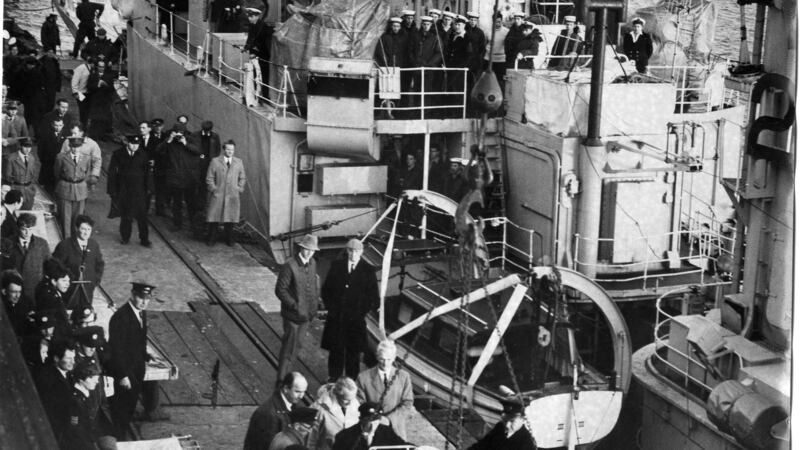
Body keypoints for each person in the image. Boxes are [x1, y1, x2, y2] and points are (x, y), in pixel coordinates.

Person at [321, 239, 378, 380]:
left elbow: (372, 296)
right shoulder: (337, 266)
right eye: (351, 251)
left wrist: (360, 313)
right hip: (337, 318)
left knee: (354, 353)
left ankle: (351, 381)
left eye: (356, 251)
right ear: (347, 251)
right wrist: (332, 309)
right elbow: (326, 290)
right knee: (336, 351)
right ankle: (333, 379)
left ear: (361, 252)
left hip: (355, 321)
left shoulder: (368, 270)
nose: (353, 254)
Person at [108, 280, 156, 439]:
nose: (144, 302)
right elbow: (116, 351)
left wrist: (147, 355)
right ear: (133, 295)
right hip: (126, 375)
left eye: (148, 299)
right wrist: (122, 375)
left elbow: (138, 342)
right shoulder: (120, 318)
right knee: (120, 411)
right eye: (141, 297)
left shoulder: (141, 313)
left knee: (128, 409)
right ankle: (118, 441)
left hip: (136, 372)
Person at [275, 234, 321, 381]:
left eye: (312, 250)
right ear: (301, 248)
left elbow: (313, 284)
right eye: (306, 249)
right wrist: (295, 306)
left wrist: (315, 304)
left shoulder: (312, 263)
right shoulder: (290, 265)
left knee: (296, 348)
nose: (309, 253)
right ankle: (281, 382)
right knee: (288, 350)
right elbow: (280, 290)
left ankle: (287, 379)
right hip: (293, 317)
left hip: (306, 316)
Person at [355, 339, 414, 440]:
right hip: (372, 429)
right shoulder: (363, 378)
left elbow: (407, 403)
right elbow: (360, 404)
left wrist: (389, 419)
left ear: (395, 358)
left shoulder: (404, 377)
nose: (385, 363)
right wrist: (375, 419)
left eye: (389, 359)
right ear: (377, 356)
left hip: (396, 429)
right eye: (382, 359)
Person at [243, 371, 308, 450]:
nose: (301, 396)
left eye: (304, 392)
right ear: (286, 389)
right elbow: (266, 446)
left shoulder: (292, 403)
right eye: (297, 391)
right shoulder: (268, 415)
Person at [107, 134, 153, 246]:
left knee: (142, 217)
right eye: (132, 144)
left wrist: (149, 188)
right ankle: (125, 237)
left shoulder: (143, 155)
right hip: (124, 190)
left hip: (139, 191)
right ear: (127, 143)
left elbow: (148, 173)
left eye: (137, 144)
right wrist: (112, 190)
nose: (135, 146)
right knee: (126, 216)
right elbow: (112, 173)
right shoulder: (118, 154)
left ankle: (144, 239)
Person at [156, 123, 203, 230]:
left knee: (191, 204)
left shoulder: (191, 140)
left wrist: (185, 143)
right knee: (176, 204)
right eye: (177, 133)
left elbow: (199, 151)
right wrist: (169, 140)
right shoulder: (170, 142)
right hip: (175, 179)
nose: (179, 136)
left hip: (189, 179)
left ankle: (193, 224)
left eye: (181, 133)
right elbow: (158, 151)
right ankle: (177, 224)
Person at [63, 361, 118, 450]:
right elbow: (76, 430)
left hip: (93, 434)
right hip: (83, 441)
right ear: (81, 380)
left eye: (96, 378)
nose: (96, 382)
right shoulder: (75, 400)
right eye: (92, 378)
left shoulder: (89, 391)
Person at [53, 214, 105, 308]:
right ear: (77, 228)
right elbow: (55, 266)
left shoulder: (94, 245)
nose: (86, 233)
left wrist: (94, 281)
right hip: (70, 290)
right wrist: (63, 283)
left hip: (88, 290)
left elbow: (100, 264)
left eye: (89, 229)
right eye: (83, 229)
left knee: (86, 314)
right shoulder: (65, 245)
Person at [35, 339, 76, 446]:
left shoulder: (68, 374)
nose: (73, 362)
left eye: (73, 358)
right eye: (68, 358)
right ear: (56, 358)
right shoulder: (47, 377)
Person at [205, 139, 246, 246]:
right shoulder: (215, 161)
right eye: (228, 149)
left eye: (232, 150)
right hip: (218, 194)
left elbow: (242, 177)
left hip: (232, 195)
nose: (230, 151)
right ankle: (211, 239)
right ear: (224, 149)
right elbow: (209, 177)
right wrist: (214, 189)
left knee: (230, 219)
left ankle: (230, 240)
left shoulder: (238, 162)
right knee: (214, 218)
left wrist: (239, 188)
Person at [3, 213, 51, 303]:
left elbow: (49, 266)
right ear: (18, 228)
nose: (27, 233)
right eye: (24, 229)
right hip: (14, 290)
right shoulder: (8, 243)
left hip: (36, 290)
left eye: (30, 229)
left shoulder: (42, 244)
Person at [54, 136, 93, 237]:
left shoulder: (86, 158)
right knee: (65, 219)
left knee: (78, 218)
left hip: (80, 191)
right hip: (65, 190)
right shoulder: (61, 157)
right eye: (73, 146)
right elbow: (57, 173)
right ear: (69, 146)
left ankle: (76, 240)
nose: (75, 149)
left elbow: (87, 174)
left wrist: (80, 184)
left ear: (81, 147)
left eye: (78, 146)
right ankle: (66, 242)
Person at [331, 402, 407, 450]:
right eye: (370, 420)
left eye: (377, 420)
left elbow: (403, 445)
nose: (374, 424)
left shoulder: (386, 431)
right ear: (361, 419)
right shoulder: (344, 436)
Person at [468, 397, 537, 450]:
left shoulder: (527, 443)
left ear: (523, 420)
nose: (507, 425)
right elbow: (481, 446)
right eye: (505, 421)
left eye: (512, 421)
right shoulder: (500, 427)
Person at [410, 15, 444, 118]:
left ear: (431, 25)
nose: (425, 26)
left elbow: (439, 53)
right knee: (417, 90)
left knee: (427, 90)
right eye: (424, 24)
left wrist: (429, 64)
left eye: (428, 24)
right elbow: (410, 51)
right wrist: (414, 62)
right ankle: (416, 111)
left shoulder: (435, 37)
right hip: (417, 68)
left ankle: (426, 112)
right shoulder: (415, 36)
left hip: (429, 69)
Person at [313, 377, 360, 450]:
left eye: (352, 399)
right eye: (346, 400)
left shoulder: (354, 402)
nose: (350, 403)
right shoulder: (319, 408)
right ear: (337, 393)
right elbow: (311, 438)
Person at [34, 258, 72, 338]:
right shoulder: (49, 295)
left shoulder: (48, 288)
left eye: (68, 281)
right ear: (53, 281)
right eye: (64, 281)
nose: (67, 284)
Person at [243, 7, 274, 97]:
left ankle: (265, 95)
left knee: (264, 75)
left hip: (263, 56)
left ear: (257, 16)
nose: (249, 19)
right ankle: (256, 93)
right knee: (255, 73)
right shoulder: (252, 25)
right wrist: (246, 47)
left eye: (251, 17)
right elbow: (250, 38)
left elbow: (263, 43)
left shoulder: (263, 27)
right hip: (255, 54)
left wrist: (255, 51)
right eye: (249, 17)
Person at [3, 137, 40, 210]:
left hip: (29, 193)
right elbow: (7, 177)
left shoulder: (31, 158)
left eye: (29, 147)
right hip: (16, 192)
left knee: (26, 214)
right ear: (20, 146)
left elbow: (33, 175)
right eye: (25, 146)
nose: (27, 149)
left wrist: (32, 188)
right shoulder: (11, 159)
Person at [195, 120, 222, 208]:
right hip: (198, 163)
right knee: (197, 182)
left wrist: (213, 159)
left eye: (208, 131)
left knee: (206, 183)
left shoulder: (215, 136)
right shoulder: (196, 135)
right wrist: (199, 155)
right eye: (205, 130)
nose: (207, 132)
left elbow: (217, 150)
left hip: (209, 163)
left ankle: (202, 204)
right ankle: (196, 203)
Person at [86, 58, 115, 140]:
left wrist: (106, 85)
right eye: (99, 66)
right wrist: (97, 85)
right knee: (94, 119)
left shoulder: (109, 76)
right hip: (95, 100)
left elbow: (112, 89)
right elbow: (89, 87)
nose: (101, 68)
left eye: (102, 67)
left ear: (105, 67)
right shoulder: (92, 76)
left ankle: (102, 135)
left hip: (105, 101)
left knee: (103, 119)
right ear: (97, 67)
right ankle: (93, 135)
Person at [18, 56, 48, 132]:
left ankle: (26, 135)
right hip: (37, 99)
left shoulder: (27, 73)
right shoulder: (38, 72)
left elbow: (25, 87)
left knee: (28, 118)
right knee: (36, 119)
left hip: (30, 99)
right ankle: (36, 136)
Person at [38, 117, 67, 191]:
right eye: (56, 125)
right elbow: (40, 150)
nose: (58, 128)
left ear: (63, 125)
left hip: (60, 165)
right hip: (48, 164)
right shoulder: (46, 135)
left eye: (60, 125)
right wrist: (44, 161)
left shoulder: (66, 137)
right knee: (46, 186)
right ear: (52, 125)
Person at [2, 269, 33, 337]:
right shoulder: (2, 307)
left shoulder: (27, 302)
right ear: (4, 291)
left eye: (19, 292)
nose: (17, 296)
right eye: (14, 292)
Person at [485, 13, 508, 87]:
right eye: (495, 21)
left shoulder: (506, 32)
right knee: (488, 80)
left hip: (501, 60)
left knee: (500, 81)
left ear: (502, 21)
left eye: (499, 21)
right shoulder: (488, 31)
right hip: (489, 60)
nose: (497, 23)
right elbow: (485, 44)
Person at [70, 56, 92, 128]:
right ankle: (82, 126)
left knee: (88, 111)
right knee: (83, 111)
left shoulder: (94, 69)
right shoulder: (81, 68)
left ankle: (85, 126)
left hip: (90, 93)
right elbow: (74, 81)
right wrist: (75, 92)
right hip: (81, 93)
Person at [39, 48, 62, 112]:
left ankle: (49, 114)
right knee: (43, 102)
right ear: (46, 53)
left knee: (51, 102)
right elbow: (39, 74)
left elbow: (58, 74)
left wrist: (58, 86)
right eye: (49, 52)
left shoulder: (55, 62)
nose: (51, 54)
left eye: (52, 52)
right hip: (44, 85)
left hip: (52, 85)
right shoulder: (41, 62)